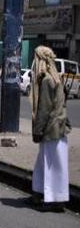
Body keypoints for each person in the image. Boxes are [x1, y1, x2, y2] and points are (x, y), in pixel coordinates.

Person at [30, 46, 71, 212]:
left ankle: (54, 200)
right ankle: (38, 194)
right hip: (60, 127)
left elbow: (44, 110)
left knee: (51, 166)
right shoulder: (57, 78)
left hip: (51, 129)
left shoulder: (46, 80)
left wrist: (37, 132)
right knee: (45, 164)